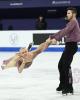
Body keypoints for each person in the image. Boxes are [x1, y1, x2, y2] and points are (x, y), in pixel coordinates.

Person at [47, 7, 80, 95]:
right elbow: (63, 30)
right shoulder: (70, 23)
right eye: (67, 13)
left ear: (74, 14)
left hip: (72, 46)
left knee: (65, 66)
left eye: (69, 13)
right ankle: (62, 85)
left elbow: (65, 31)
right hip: (69, 46)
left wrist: (56, 39)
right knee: (61, 65)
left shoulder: (73, 22)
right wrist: (53, 36)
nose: (67, 14)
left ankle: (68, 87)